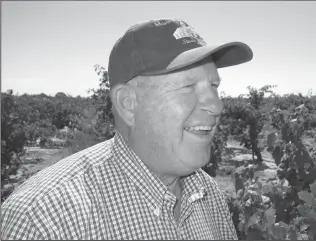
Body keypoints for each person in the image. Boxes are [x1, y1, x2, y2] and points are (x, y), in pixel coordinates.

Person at [1, 19, 253, 240]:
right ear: (128, 104)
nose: (217, 105)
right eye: (188, 86)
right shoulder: (43, 220)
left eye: (214, 85)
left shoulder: (208, 193)